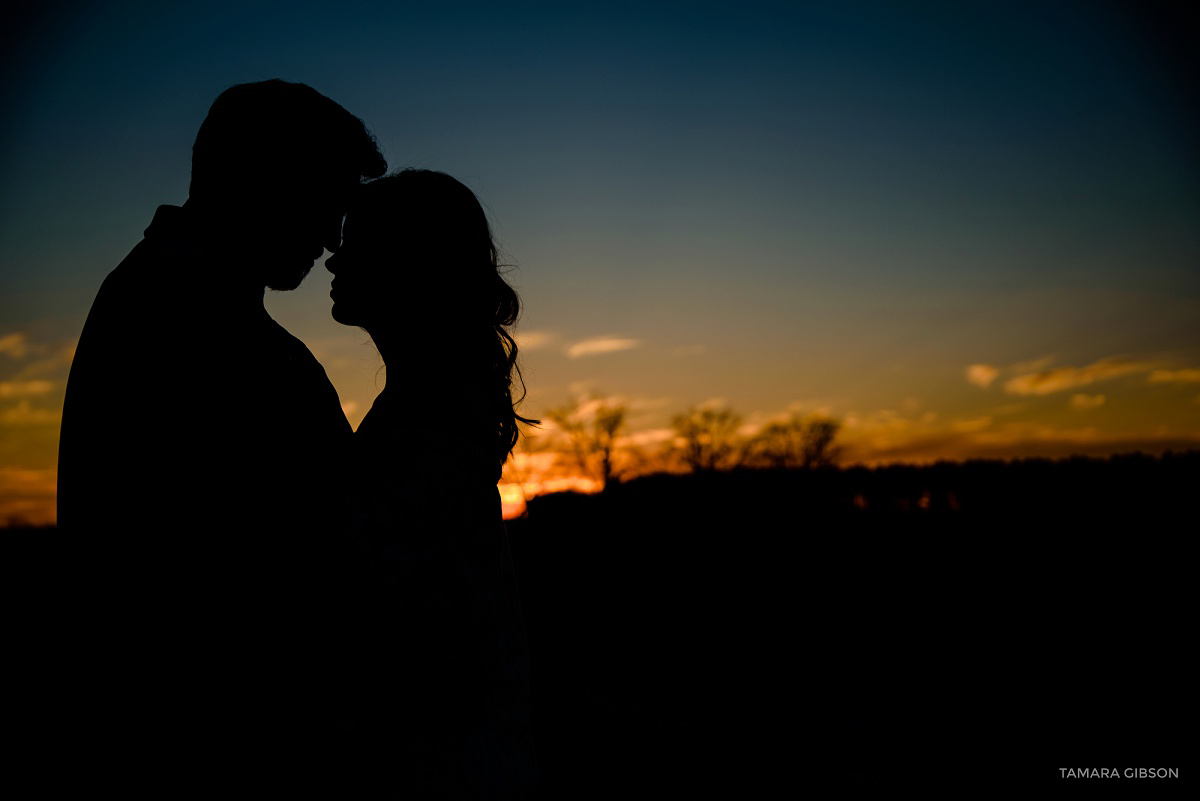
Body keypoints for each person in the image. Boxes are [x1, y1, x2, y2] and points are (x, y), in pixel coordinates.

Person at [53, 80, 386, 786]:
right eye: (329, 199)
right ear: (268, 175)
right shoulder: (196, 325)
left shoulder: (166, 300)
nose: (332, 237)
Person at [325, 170, 538, 798]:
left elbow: (429, 652)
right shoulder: (433, 399)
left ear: (408, 261)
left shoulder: (427, 424)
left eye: (358, 242)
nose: (335, 257)